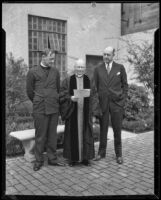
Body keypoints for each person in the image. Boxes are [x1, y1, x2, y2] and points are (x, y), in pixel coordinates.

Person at [26, 48, 65, 171]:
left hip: (53, 107)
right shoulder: (33, 71)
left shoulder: (55, 72)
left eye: (54, 58)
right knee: (40, 136)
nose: (53, 61)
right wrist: (38, 100)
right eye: (51, 58)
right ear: (43, 57)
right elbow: (29, 92)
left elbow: (58, 90)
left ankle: (52, 159)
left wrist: (53, 100)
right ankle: (38, 161)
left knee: (52, 135)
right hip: (40, 108)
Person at [59, 59, 101, 166]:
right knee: (72, 135)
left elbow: (95, 97)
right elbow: (62, 95)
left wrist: (94, 114)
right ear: (75, 67)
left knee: (86, 135)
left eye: (82, 67)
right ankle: (73, 158)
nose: (80, 69)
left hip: (85, 113)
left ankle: (85, 158)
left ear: (85, 69)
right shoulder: (68, 80)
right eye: (78, 67)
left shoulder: (89, 80)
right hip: (73, 112)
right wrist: (70, 98)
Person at [93, 46, 128, 164]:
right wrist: (96, 104)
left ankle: (119, 154)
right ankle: (101, 153)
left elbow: (125, 86)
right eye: (104, 54)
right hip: (103, 104)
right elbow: (94, 88)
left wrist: (122, 102)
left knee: (117, 130)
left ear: (113, 55)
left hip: (117, 104)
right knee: (103, 129)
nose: (106, 57)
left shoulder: (120, 68)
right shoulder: (98, 69)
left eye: (108, 54)